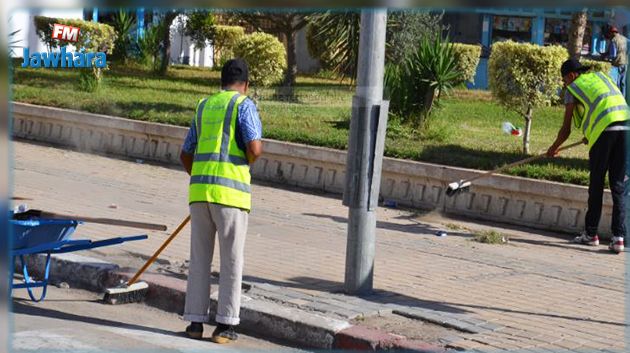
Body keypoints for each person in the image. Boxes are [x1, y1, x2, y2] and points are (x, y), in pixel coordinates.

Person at [180, 58, 263, 343]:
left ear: (221, 81)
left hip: (200, 194)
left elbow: (185, 152)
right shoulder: (244, 105)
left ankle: (194, 322)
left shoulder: (204, 105)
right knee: (231, 260)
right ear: (246, 85)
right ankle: (225, 326)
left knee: (199, 259)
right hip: (230, 195)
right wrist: (247, 162)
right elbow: (254, 147)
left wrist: (203, 178)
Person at [547, 59, 629, 253]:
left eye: (564, 80)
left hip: (605, 131)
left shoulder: (574, 88)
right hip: (626, 127)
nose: (565, 84)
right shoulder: (602, 78)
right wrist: (590, 135)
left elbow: (566, 129)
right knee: (619, 185)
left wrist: (553, 148)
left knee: (597, 183)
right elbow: (605, 106)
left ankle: (591, 234)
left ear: (571, 76)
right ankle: (619, 237)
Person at [603, 25, 628, 95]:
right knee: (623, 82)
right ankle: (623, 98)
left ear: (611, 33)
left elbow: (613, 55)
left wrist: (606, 58)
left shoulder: (613, 40)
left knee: (617, 83)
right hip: (625, 62)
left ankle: (618, 98)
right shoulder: (624, 39)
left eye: (609, 34)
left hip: (617, 64)